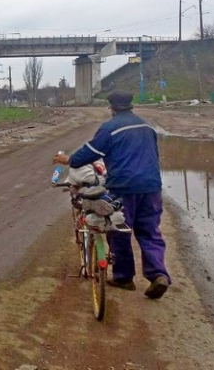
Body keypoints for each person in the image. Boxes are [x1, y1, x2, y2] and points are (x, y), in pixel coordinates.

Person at [53, 90, 171, 299]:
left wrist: (69, 160)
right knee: (150, 231)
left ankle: (124, 277)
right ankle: (158, 274)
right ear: (130, 105)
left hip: (124, 187)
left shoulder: (110, 129)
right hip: (152, 186)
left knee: (120, 230)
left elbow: (90, 153)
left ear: (111, 107)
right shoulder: (146, 127)